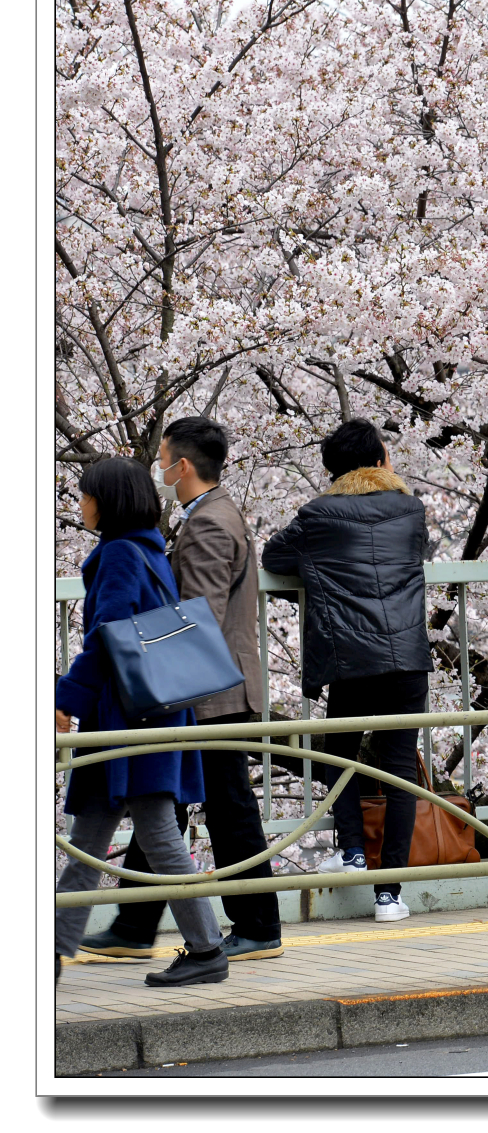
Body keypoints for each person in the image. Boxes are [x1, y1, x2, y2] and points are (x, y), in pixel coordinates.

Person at [83, 417, 282, 962]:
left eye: (164, 458)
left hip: (210, 693)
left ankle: (258, 924)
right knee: (163, 805)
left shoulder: (210, 524)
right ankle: (135, 923)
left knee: (226, 806)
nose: (160, 470)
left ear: (183, 465)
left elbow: (195, 620)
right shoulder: (216, 514)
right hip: (215, 688)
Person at [55, 456, 227, 987]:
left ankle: (205, 949)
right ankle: (53, 951)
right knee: (97, 841)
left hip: (129, 720)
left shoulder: (120, 555)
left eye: (86, 496)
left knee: (146, 837)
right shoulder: (148, 549)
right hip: (150, 713)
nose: (80, 505)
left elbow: (107, 638)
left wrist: (63, 699)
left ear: (107, 502)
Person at [262, 419, 430, 924]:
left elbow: (273, 555)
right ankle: (390, 895)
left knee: (342, 756)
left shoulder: (318, 515)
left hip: (351, 659)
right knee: (400, 766)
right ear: (380, 459)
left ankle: (353, 853)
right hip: (406, 657)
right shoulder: (411, 508)